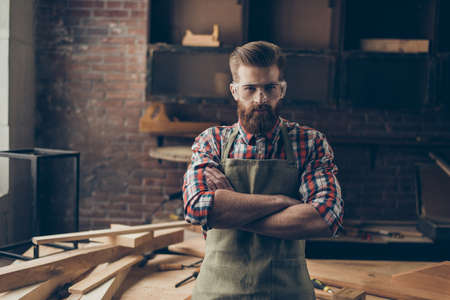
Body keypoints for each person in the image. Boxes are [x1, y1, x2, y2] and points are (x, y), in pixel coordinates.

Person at [182, 41, 343, 299]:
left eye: (270, 88)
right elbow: (197, 209)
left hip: (287, 293)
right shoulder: (211, 141)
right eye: (250, 89)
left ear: (283, 89)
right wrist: (281, 202)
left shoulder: (310, 142)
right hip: (216, 292)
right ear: (234, 91)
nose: (260, 99)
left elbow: (326, 217)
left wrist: (233, 209)